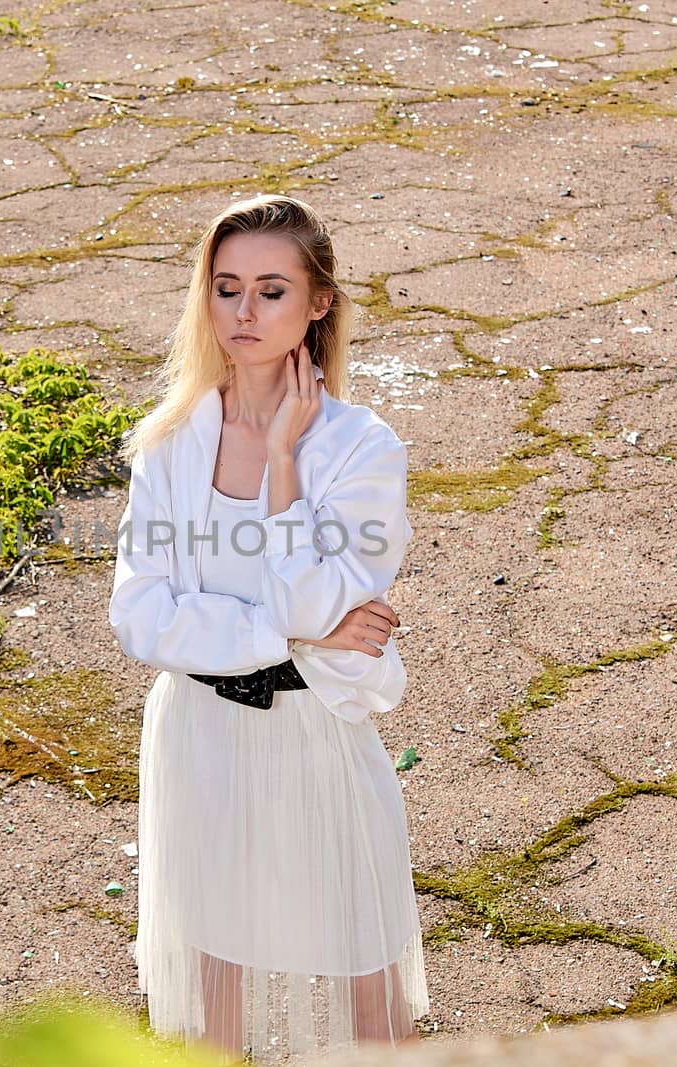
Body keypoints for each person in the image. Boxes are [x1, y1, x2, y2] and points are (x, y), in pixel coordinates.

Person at [108, 194, 428, 1063]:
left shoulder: (364, 448)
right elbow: (139, 614)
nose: (244, 314)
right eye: (226, 288)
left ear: (319, 302)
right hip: (200, 735)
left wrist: (285, 461)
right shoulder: (170, 441)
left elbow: (314, 609)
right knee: (215, 1001)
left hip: (318, 733)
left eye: (272, 291)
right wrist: (287, 633)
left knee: (372, 987)